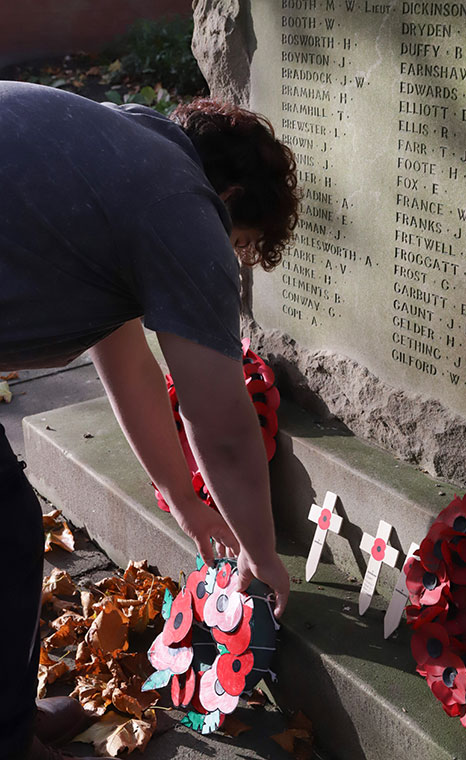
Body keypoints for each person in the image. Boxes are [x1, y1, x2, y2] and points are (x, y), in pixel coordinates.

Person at [0, 81, 300, 760]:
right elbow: (220, 429)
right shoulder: (182, 206)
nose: (229, 262)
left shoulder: (125, 156)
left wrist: (191, 510)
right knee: (6, 533)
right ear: (226, 204)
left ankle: (11, 717)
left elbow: (128, 364)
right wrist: (261, 555)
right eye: (241, 245)